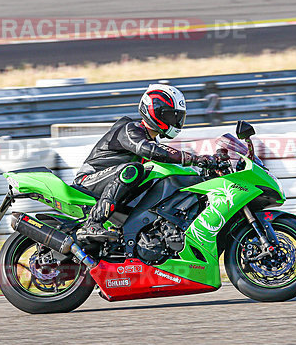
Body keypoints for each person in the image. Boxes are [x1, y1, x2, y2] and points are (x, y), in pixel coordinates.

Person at [73, 83, 217, 241]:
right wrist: (195, 159)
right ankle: (92, 224)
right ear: (155, 112)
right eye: (171, 116)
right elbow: (151, 150)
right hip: (88, 181)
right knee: (132, 170)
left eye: (177, 117)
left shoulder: (150, 140)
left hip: (115, 186)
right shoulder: (130, 129)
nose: (175, 122)